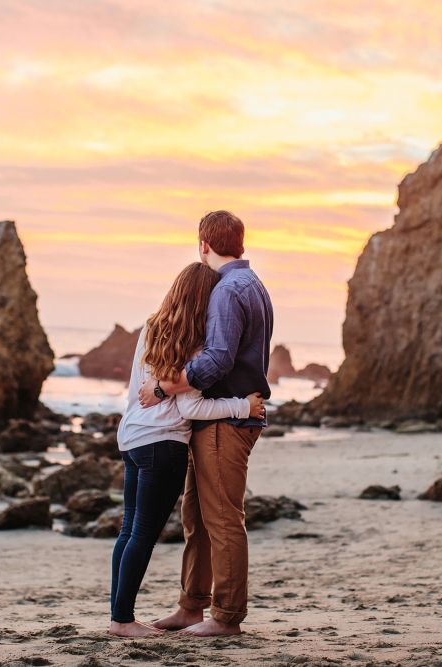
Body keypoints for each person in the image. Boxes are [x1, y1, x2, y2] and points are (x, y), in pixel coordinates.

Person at [110, 261, 267, 638]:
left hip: (131, 436)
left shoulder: (151, 326)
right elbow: (190, 408)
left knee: (127, 530)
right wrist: (242, 406)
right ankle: (123, 622)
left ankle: (119, 615)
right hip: (162, 445)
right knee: (143, 534)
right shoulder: (191, 344)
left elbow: (137, 389)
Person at [140, 210, 273, 637]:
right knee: (196, 515)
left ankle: (226, 617)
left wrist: (164, 387)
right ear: (240, 243)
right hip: (221, 419)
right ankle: (191, 606)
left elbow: (217, 360)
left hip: (226, 422)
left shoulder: (227, 290)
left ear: (203, 244)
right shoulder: (252, 285)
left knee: (221, 518)